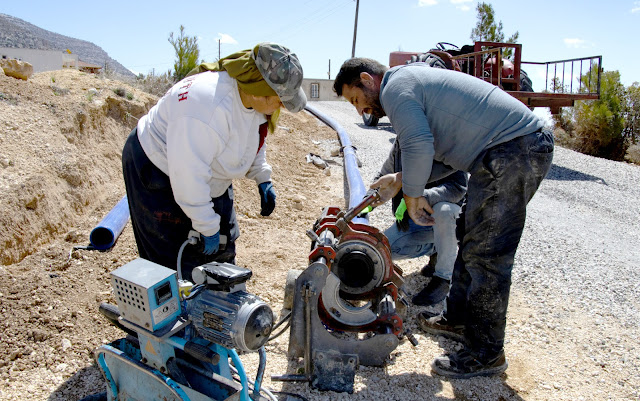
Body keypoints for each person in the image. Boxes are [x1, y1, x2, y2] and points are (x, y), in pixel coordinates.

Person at [333, 58, 553, 379]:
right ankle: (460, 318)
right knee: (471, 238)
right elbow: (446, 155)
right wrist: (399, 179)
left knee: (487, 255)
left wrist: (412, 193)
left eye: (356, 99)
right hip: (501, 152)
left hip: (515, 149)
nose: (359, 110)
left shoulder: (396, 89)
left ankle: (485, 353)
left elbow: (419, 143)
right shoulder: (408, 84)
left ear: (367, 80)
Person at [122, 42, 306, 281]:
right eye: (280, 99)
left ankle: (222, 309)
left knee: (224, 247)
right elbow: (188, 177)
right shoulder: (206, 108)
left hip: (203, 171)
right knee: (176, 261)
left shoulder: (255, 100)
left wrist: (262, 176)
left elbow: (253, 135)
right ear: (257, 88)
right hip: (160, 169)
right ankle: (178, 314)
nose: (282, 106)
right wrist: (207, 227)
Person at [371, 138, 468, 306]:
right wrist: (362, 206)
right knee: (381, 252)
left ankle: (444, 278)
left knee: (445, 210)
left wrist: (423, 197)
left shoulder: (447, 141)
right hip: (416, 222)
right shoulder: (401, 144)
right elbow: (382, 177)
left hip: (443, 222)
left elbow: (458, 187)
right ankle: (436, 252)